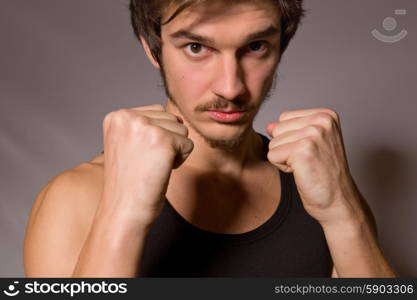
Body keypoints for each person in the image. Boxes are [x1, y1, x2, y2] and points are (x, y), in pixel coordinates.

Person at [23, 0, 397, 277]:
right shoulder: (75, 197)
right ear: (153, 48)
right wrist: (124, 213)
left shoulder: (323, 187)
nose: (230, 87)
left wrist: (341, 212)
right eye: (197, 48)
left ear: (281, 45)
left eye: (255, 47)